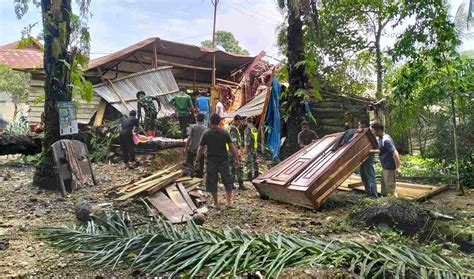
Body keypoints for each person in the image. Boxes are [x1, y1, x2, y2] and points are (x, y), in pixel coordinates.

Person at [195, 113, 240, 209]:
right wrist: (236, 159)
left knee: (212, 181)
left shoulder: (206, 133)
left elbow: (201, 148)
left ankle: (216, 203)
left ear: (210, 122)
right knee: (227, 181)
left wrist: (197, 161)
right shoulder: (224, 132)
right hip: (224, 160)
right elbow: (232, 147)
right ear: (220, 122)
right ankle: (229, 203)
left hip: (211, 161)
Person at [371, 122, 401, 197]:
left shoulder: (386, 140)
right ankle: (384, 202)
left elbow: (395, 153)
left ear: (378, 130)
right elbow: (381, 150)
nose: (373, 132)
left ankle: (394, 204)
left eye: (374, 131)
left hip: (390, 168)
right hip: (385, 167)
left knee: (390, 189)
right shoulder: (380, 138)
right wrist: (370, 151)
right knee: (384, 187)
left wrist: (398, 167)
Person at [358, 120, 378, 198]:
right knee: (363, 176)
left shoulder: (370, 132)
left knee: (370, 176)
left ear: (364, 124)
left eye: (360, 125)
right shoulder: (362, 132)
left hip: (369, 157)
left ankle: (374, 195)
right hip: (362, 157)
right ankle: (368, 192)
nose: (359, 126)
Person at [185, 113, 207, 178]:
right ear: (203, 120)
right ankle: (198, 178)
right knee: (200, 165)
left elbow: (189, 138)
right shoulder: (205, 129)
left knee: (190, 163)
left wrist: (186, 147)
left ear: (196, 118)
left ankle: (189, 176)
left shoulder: (193, 127)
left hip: (192, 148)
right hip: (201, 150)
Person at [228, 115, 246, 190]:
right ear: (235, 120)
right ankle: (241, 184)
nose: (239, 123)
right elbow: (233, 142)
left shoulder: (231, 127)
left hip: (231, 151)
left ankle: (231, 184)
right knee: (239, 167)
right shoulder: (233, 129)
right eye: (238, 121)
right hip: (233, 151)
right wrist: (237, 153)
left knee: (233, 168)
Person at [243, 117, 259, 181]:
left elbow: (247, 140)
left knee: (249, 161)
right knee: (255, 160)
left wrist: (246, 148)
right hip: (254, 146)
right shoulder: (254, 128)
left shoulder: (247, 129)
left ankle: (249, 177)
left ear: (247, 121)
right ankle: (256, 174)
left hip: (250, 147)